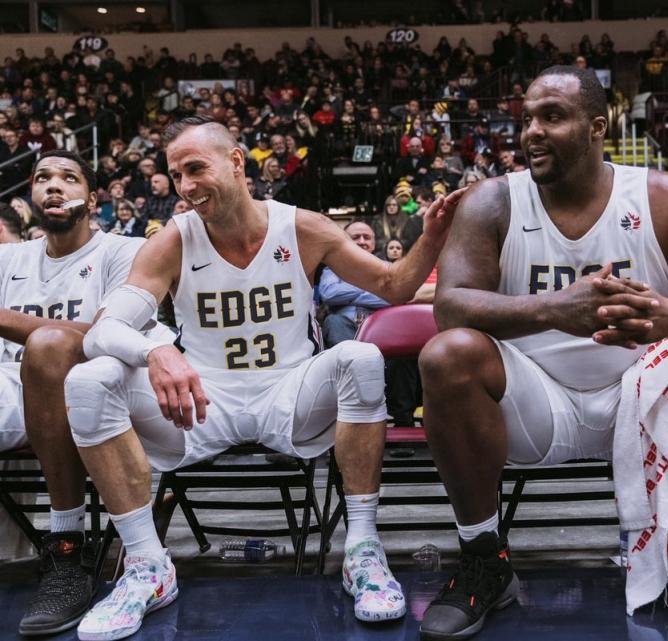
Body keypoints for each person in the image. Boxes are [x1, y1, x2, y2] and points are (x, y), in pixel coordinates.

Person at [416, 66, 668, 641]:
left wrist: (667, 317)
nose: (532, 133)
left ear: (598, 127)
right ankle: (483, 561)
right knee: (447, 355)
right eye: (528, 119)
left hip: (651, 390)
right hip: (536, 398)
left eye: (552, 117)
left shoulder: (662, 194)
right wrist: (554, 309)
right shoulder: (493, 200)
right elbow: (450, 307)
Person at [60, 116, 462, 640]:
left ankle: (361, 548)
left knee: (360, 359)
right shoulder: (173, 241)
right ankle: (146, 565)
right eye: (176, 174)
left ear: (235, 161)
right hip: (204, 401)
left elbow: (393, 286)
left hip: (290, 393)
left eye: (195, 168)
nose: (185, 186)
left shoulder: (302, 226)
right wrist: (156, 348)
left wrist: (429, 240)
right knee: (90, 381)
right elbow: (102, 331)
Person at [2, 151, 156, 636]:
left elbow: (103, 332)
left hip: (94, 389)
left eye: (68, 179)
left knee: (48, 346)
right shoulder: (9, 257)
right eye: (43, 178)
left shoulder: (124, 251)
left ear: (92, 199)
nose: (53, 186)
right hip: (9, 383)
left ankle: (67, 547)